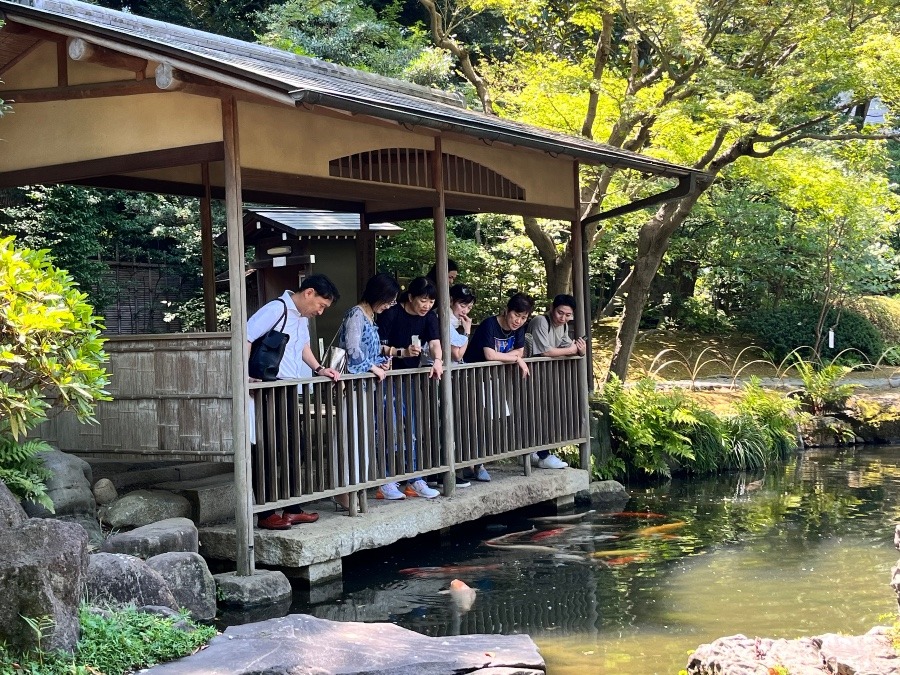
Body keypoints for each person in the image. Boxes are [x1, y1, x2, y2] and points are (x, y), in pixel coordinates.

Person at [247, 274, 342, 530]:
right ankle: (265, 512)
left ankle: (291, 507)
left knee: (293, 445)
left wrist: (320, 368)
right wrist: (245, 377)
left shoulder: (300, 317)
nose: (320, 311)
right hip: (267, 386)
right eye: (321, 305)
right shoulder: (276, 309)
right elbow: (245, 336)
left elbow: (302, 348)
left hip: (288, 387)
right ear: (309, 293)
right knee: (267, 448)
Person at [335, 273, 399, 509]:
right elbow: (352, 349)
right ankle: (344, 489)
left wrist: (383, 360)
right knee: (352, 436)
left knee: (363, 437)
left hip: (365, 385)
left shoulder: (370, 316)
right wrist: (373, 366)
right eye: (388, 300)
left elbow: (369, 348)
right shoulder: (356, 314)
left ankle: (357, 486)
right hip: (353, 385)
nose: (389, 306)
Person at [376, 276, 444, 499]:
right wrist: (401, 352)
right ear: (411, 297)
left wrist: (437, 361)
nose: (427, 305)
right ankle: (386, 479)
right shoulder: (392, 312)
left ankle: (414, 478)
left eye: (431, 301)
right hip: (387, 378)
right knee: (389, 428)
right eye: (423, 300)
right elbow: (379, 345)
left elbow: (435, 343)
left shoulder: (429, 317)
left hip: (411, 380)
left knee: (412, 429)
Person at [524, 294, 586, 470]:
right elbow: (545, 352)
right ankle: (539, 454)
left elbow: (567, 347)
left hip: (547, 377)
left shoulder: (563, 326)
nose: (563, 318)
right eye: (560, 313)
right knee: (536, 414)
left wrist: (579, 350)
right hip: (530, 375)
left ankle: (540, 453)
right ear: (552, 308)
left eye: (568, 315)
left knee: (547, 413)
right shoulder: (540, 321)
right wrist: (573, 349)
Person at [447, 284, 490, 483]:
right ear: (451, 302)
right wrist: (466, 331)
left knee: (467, 420)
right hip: (446, 379)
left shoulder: (453, 322)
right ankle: (453, 470)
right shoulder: (445, 321)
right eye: (462, 305)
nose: (465, 310)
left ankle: (471, 464)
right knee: (453, 422)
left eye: (469, 307)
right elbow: (457, 353)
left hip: (457, 378)